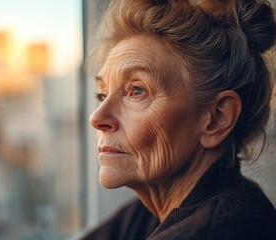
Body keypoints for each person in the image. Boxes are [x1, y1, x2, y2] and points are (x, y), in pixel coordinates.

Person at [82, 0, 276, 239]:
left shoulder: (216, 229)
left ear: (217, 118)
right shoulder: (145, 216)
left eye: (137, 91)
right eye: (102, 94)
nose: (97, 117)